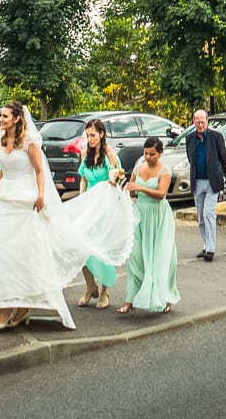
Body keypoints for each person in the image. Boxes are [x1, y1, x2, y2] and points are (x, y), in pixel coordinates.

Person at [0, 101, 131, 331]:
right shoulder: (0, 139)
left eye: (4, 116)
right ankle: (6, 305)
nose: (0, 119)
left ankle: (19, 307)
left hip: (26, 200)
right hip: (6, 197)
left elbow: (40, 171)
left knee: (22, 255)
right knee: (1, 251)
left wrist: (41, 195)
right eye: (1, 116)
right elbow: (3, 169)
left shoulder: (30, 142)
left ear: (17, 119)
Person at [73, 119, 130, 309]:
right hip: (89, 204)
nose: (90, 139)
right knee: (80, 245)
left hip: (105, 206)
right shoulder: (85, 155)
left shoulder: (109, 155)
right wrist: (81, 199)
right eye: (87, 136)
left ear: (102, 134)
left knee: (103, 247)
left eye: (93, 135)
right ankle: (90, 286)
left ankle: (105, 291)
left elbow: (118, 177)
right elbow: (83, 179)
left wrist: (114, 180)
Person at [119, 137, 179, 314]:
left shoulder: (164, 170)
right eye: (145, 153)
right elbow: (130, 188)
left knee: (160, 258)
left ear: (160, 153)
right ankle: (130, 299)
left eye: (152, 154)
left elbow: (161, 194)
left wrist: (140, 188)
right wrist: (121, 188)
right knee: (136, 257)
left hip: (158, 216)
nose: (148, 157)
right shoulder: (138, 168)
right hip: (141, 215)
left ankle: (165, 296)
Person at [182, 109, 226, 262]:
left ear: (207, 121)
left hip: (212, 181)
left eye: (203, 122)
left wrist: (216, 171)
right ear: (193, 122)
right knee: (201, 216)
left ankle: (211, 248)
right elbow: (190, 158)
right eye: (197, 122)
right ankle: (205, 244)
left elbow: (223, 158)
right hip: (198, 181)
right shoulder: (190, 138)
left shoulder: (216, 137)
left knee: (209, 213)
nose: (200, 125)